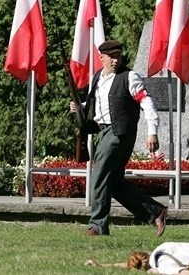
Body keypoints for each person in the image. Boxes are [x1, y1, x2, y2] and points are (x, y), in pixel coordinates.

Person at [70, 39, 167, 236]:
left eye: (118, 56)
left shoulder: (130, 77)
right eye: (111, 57)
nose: (115, 60)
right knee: (113, 183)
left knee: (98, 176)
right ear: (101, 58)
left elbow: (147, 103)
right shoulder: (97, 78)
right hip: (103, 131)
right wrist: (79, 106)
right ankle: (155, 211)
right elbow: (96, 106)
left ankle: (97, 225)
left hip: (119, 134)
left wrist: (152, 131)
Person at [86, 242, 189, 274]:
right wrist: (101, 265)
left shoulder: (160, 264)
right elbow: (128, 264)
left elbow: (184, 273)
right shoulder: (162, 247)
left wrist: (156, 273)